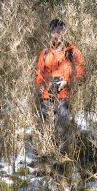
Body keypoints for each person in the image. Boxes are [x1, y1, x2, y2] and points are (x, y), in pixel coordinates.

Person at [35, 18, 85, 152]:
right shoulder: (45, 52)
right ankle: (45, 157)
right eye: (55, 31)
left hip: (63, 97)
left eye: (61, 31)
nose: (58, 34)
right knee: (45, 128)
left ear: (65, 32)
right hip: (46, 96)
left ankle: (61, 158)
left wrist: (67, 82)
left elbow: (80, 75)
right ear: (51, 33)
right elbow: (39, 72)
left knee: (61, 130)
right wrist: (40, 84)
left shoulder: (72, 52)